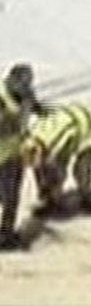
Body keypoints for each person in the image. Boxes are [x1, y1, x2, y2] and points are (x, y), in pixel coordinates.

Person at [25, 102, 91, 215]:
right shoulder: (31, 138)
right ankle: (51, 200)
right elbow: (37, 168)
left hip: (88, 124)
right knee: (47, 171)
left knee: (81, 168)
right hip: (67, 121)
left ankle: (86, 198)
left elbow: (59, 172)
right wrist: (43, 187)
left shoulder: (55, 144)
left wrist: (50, 183)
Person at [0, 65, 41, 251]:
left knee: (11, 198)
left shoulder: (26, 96)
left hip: (13, 155)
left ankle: (6, 234)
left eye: (28, 82)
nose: (26, 86)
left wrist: (30, 104)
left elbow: (37, 110)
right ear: (11, 79)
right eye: (23, 82)